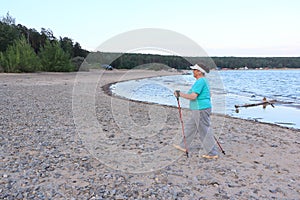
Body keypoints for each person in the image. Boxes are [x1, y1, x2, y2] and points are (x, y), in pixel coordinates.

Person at [174, 63, 219, 159]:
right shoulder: (203, 81)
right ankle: (183, 145)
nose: (193, 71)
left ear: (199, 72)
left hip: (201, 109)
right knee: (190, 127)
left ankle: (212, 153)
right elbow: (209, 94)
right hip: (199, 109)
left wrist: (180, 94)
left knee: (204, 130)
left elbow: (193, 96)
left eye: (194, 70)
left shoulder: (200, 81)